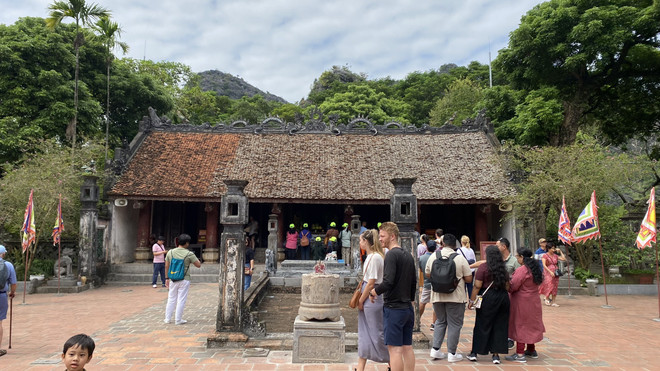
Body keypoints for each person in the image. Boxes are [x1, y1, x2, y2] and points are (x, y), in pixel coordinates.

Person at [370, 222, 416, 371]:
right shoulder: (408, 255)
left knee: (395, 349)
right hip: (407, 308)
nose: (380, 239)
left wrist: (374, 291)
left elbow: (388, 281)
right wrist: (411, 300)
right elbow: (413, 281)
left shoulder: (391, 255)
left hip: (394, 308)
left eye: (382, 236)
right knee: (407, 347)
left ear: (392, 236)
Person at [425, 234, 472, 363]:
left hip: (437, 295)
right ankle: (452, 353)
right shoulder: (460, 258)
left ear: (443, 244)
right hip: (456, 297)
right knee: (454, 324)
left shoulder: (434, 256)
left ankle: (435, 350)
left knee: (440, 321)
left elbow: (428, 273)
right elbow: (468, 278)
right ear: (455, 245)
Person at [467, 245, 510, 364]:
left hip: (487, 298)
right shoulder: (503, 268)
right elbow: (507, 286)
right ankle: (496, 355)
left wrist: (472, 300)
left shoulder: (483, 268)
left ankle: (475, 352)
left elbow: (477, 286)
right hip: (502, 297)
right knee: (499, 325)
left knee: (482, 324)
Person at [356, 229, 389, 371]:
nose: (359, 243)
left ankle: (391, 362)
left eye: (361, 240)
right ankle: (360, 367)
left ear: (366, 242)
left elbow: (371, 283)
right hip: (368, 296)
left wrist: (361, 300)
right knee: (364, 333)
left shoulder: (375, 257)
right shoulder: (371, 256)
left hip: (372, 297)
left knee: (376, 333)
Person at [505, 248, 545, 363]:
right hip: (534, 300)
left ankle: (520, 353)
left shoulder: (522, 270)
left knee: (520, 325)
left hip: (521, 301)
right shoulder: (535, 268)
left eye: (517, 257)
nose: (517, 259)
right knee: (530, 325)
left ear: (522, 257)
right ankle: (531, 350)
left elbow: (513, 286)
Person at [164, 233, 201, 325]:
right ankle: (178, 320)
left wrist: (166, 278)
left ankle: (167, 319)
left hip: (172, 278)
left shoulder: (170, 252)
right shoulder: (189, 254)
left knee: (171, 298)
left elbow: (166, 266)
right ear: (187, 243)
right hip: (184, 278)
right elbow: (198, 265)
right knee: (181, 299)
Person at [0, 245, 17, 357]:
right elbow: (13, 283)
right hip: (1, 295)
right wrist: (12, 292)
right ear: (3, 254)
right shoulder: (8, 265)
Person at [539, 242, 567, 307]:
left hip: (555, 272)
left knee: (555, 286)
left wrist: (560, 252)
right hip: (548, 272)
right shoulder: (545, 255)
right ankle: (546, 298)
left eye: (554, 248)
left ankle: (554, 301)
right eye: (552, 248)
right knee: (549, 284)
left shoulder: (555, 256)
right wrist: (550, 271)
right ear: (548, 249)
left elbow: (564, 259)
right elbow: (544, 265)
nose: (553, 250)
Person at [418, 240, 436, 330]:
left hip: (426, 282)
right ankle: (434, 323)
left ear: (427, 247)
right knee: (435, 303)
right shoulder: (437, 257)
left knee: (423, 302)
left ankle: (417, 320)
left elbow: (421, 269)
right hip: (436, 283)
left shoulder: (421, 258)